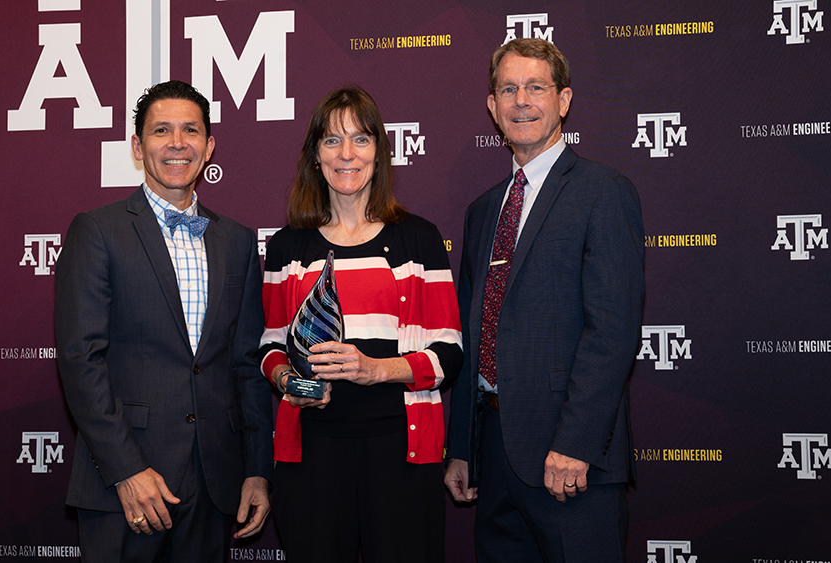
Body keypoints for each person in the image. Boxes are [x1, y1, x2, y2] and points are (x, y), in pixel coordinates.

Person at [54, 80, 273, 562]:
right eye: (161, 131)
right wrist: (127, 470)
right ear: (137, 146)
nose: (178, 143)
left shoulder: (236, 240)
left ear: (209, 146)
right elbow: (80, 361)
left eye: (191, 130)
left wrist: (257, 469)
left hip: (215, 483)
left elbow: (246, 365)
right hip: (125, 483)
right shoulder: (97, 230)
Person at [444, 38, 645, 563]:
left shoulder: (604, 191)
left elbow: (613, 331)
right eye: (508, 89)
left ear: (565, 100)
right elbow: (472, 329)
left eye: (536, 87)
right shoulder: (483, 209)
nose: (521, 101)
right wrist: (462, 448)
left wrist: (576, 443)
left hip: (571, 463)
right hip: (493, 453)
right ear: (491, 106)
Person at [259, 86, 463, 563]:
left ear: (380, 153)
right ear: (315, 156)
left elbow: (448, 353)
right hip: (311, 456)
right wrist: (290, 379)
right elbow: (268, 347)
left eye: (361, 139)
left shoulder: (419, 239)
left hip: (401, 454)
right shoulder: (289, 246)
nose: (346, 154)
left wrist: (375, 369)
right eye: (332, 141)